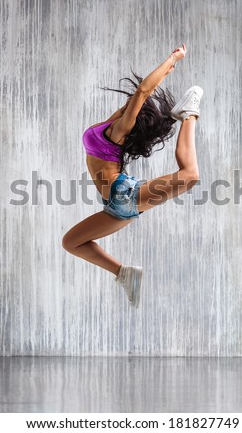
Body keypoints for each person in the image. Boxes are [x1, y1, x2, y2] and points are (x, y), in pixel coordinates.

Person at [62, 44, 203, 309]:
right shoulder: (111, 123)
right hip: (115, 205)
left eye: (134, 108)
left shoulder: (119, 131)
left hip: (122, 193)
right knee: (71, 242)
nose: (131, 105)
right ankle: (123, 273)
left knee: (190, 175)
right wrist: (168, 69)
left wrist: (172, 58)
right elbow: (141, 93)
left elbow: (143, 90)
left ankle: (190, 113)